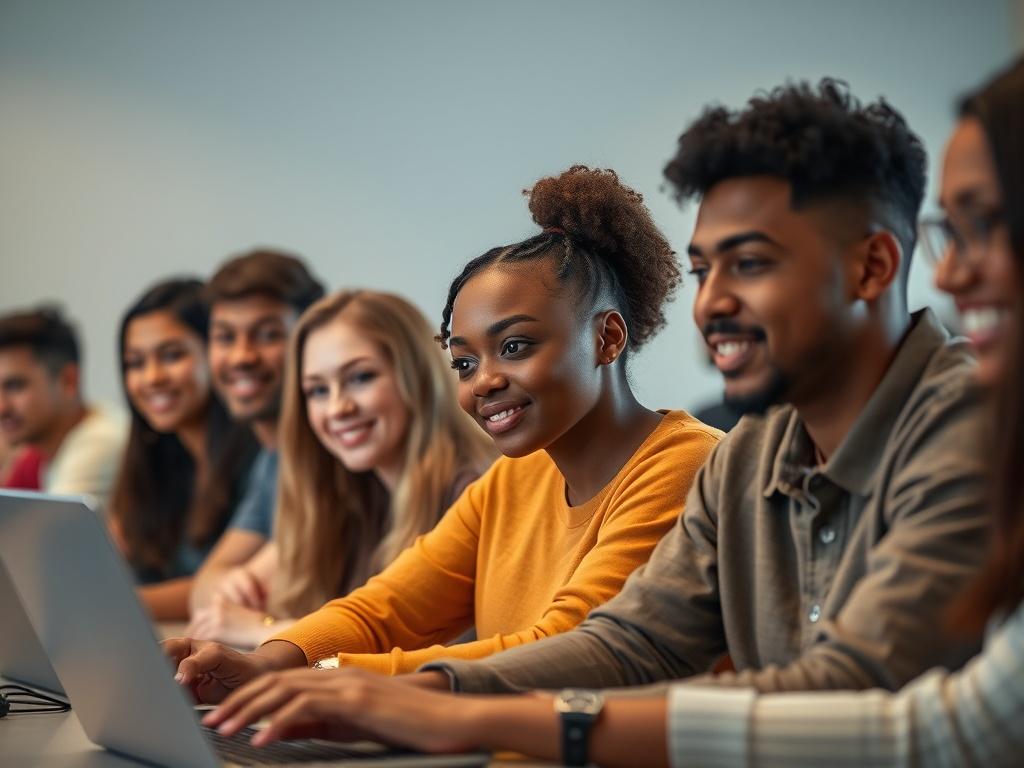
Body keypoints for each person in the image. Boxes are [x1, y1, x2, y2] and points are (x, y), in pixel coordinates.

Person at [196, 57, 1024, 768]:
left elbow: (849, 691)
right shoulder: (750, 453)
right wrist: (411, 687)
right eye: (704, 271)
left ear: (873, 267)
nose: (712, 305)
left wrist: (434, 703)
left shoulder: (968, 429)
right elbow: (635, 642)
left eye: (749, 264)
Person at [167, 165, 722, 686]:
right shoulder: (514, 478)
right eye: (464, 363)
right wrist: (266, 663)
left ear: (607, 338)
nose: (484, 382)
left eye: (514, 346)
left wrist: (318, 677)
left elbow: (565, 649)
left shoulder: (685, 467)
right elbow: (385, 609)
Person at [185, 289, 497, 647]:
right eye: (318, 390)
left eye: (360, 378)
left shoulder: (474, 490)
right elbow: (211, 598)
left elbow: (431, 661)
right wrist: (231, 592)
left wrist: (264, 628)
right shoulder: (345, 492)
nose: (337, 408)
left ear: (417, 376)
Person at [107, 278, 259, 620]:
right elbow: (118, 560)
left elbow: (234, 587)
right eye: (135, 363)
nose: (152, 378)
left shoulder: (258, 456)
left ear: (215, 353)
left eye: (172, 356)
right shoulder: (153, 461)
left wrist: (107, 607)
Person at [188, 249, 325, 612]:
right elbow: (204, 587)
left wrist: (238, 591)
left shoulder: (335, 450)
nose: (242, 356)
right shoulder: (271, 461)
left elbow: (289, 592)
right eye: (225, 337)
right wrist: (231, 588)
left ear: (311, 340)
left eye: (267, 335)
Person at [0, 307, 125, 505]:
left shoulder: (98, 443)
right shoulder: (44, 448)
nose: (2, 407)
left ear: (68, 381)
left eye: (15, 386)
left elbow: (45, 526)